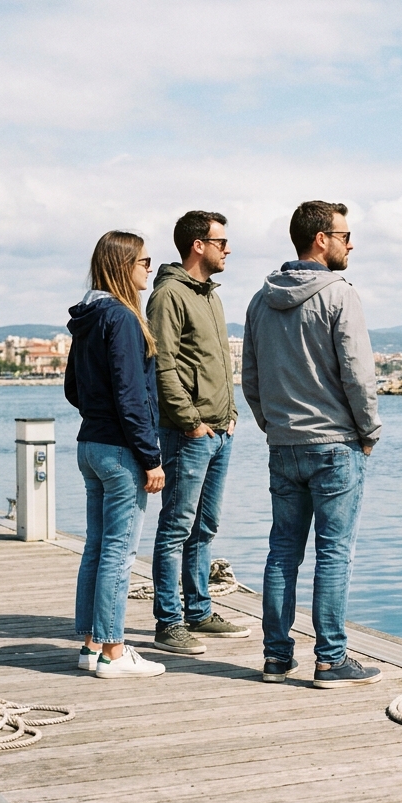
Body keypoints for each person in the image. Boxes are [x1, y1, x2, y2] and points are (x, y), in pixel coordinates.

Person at [242, 201, 383, 688]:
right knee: (333, 553)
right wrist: (369, 431)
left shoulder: (260, 301)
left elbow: (251, 379)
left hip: (284, 445)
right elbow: (359, 374)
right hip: (335, 444)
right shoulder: (340, 295)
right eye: (345, 234)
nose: (351, 244)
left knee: (282, 551)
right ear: (320, 239)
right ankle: (330, 660)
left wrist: (272, 425)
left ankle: (277, 658)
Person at [147, 210, 249, 655]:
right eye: (221, 242)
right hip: (189, 434)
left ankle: (200, 612)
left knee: (205, 527)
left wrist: (230, 416)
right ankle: (169, 623)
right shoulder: (170, 295)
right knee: (175, 528)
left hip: (219, 431)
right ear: (198, 245)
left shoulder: (210, 295)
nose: (228, 249)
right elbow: (162, 365)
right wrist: (192, 422)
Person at [65, 231, 166, 679]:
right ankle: (113, 651)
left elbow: (72, 388)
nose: (149, 268)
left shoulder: (87, 317)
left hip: (90, 445)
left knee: (96, 547)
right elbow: (131, 396)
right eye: (145, 261)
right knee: (119, 554)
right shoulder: (122, 318)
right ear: (124, 265)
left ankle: (89, 645)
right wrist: (151, 457)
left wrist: (97, 413)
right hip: (122, 452)